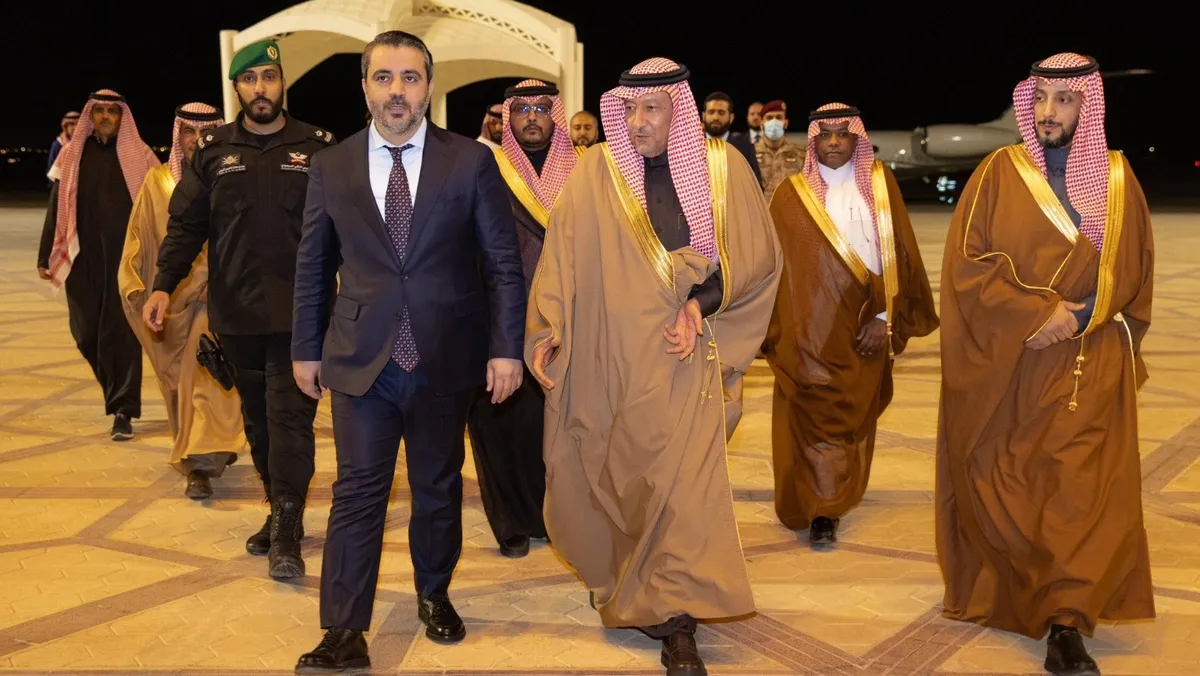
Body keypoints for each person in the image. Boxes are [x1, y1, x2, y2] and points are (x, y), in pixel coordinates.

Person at [526, 57, 782, 676]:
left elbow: (756, 260)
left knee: (682, 491)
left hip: (686, 360)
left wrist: (700, 304)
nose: (637, 122)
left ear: (679, 111)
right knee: (622, 481)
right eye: (629, 109)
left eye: (651, 109)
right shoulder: (596, 172)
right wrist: (548, 328)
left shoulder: (724, 169)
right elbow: (561, 257)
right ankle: (633, 584)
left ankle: (676, 621)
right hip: (608, 359)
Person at [290, 30, 526, 673]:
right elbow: (313, 266)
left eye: (411, 78)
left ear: (429, 87)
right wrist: (305, 347)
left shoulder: (470, 161)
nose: (397, 91)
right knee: (357, 491)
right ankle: (344, 629)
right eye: (384, 77)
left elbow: (503, 265)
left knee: (438, 485)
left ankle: (434, 592)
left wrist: (506, 349)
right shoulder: (331, 164)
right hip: (360, 359)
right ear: (365, 86)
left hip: (447, 356)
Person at [936, 53, 1156, 676]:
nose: (1048, 112)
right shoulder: (997, 173)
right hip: (1015, 366)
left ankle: (1066, 621)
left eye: (1064, 100)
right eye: (1039, 99)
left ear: (1089, 106)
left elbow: (1134, 266)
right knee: (1013, 485)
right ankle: (1024, 587)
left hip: (1090, 361)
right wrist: (1037, 314)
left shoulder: (1117, 178)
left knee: (1078, 493)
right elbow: (965, 266)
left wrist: (1082, 316)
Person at [143, 39, 337, 579]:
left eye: (269, 77)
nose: (260, 89)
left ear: (282, 84)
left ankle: (288, 530)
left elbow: (346, 227)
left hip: (303, 316)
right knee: (258, 421)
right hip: (238, 316)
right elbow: (186, 226)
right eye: (249, 80)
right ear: (237, 89)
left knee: (290, 421)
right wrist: (162, 286)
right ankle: (278, 508)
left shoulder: (319, 147)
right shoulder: (212, 150)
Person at [762, 103, 938, 546]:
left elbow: (899, 254)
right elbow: (775, 270)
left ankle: (831, 504)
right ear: (813, 141)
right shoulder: (790, 195)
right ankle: (818, 508)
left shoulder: (879, 184)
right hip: (806, 333)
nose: (835, 142)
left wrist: (885, 318)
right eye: (825, 134)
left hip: (863, 328)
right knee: (809, 417)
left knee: (846, 421)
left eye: (843, 133)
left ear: (857, 138)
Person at [468, 78, 581, 559]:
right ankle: (510, 521)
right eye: (522, 109)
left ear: (555, 115)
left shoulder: (584, 171)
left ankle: (552, 515)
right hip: (498, 316)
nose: (532, 116)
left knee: (554, 424)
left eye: (541, 108)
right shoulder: (484, 168)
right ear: (507, 117)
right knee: (500, 421)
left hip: (567, 319)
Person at [117, 102, 246, 500]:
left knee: (206, 378)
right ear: (178, 136)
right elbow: (138, 238)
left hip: (217, 300)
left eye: (205, 132)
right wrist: (135, 284)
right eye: (188, 132)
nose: (197, 140)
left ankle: (201, 463)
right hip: (172, 302)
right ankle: (201, 454)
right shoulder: (157, 183)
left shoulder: (234, 178)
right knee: (180, 389)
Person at [38, 90, 158, 441]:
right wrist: (45, 256)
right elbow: (56, 206)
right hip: (82, 259)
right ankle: (114, 390)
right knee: (85, 333)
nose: (106, 116)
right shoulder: (73, 154)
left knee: (120, 336)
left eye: (112, 111)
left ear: (122, 117)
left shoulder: (141, 156)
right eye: (100, 110)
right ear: (90, 115)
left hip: (126, 261)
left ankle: (123, 409)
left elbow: (157, 207)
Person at [702, 91, 763, 188]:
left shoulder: (745, 148)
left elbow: (755, 186)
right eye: (711, 112)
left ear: (731, 118)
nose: (715, 117)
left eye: (721, 113)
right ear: (704, 116)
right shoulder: (692, 147)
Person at [755, 99, 805, 197]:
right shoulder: (749, 153)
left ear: (786, 123)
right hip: (757, 207)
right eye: (769, 118)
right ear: (761, 124)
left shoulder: (802, 154)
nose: (774, 122)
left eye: (779, 117)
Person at [47, 111, 79, 180]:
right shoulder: (58, 144)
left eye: (77, 124)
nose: (74, 127)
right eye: (71, 124)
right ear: (65, 126)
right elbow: (51, 168)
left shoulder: (87, 144)